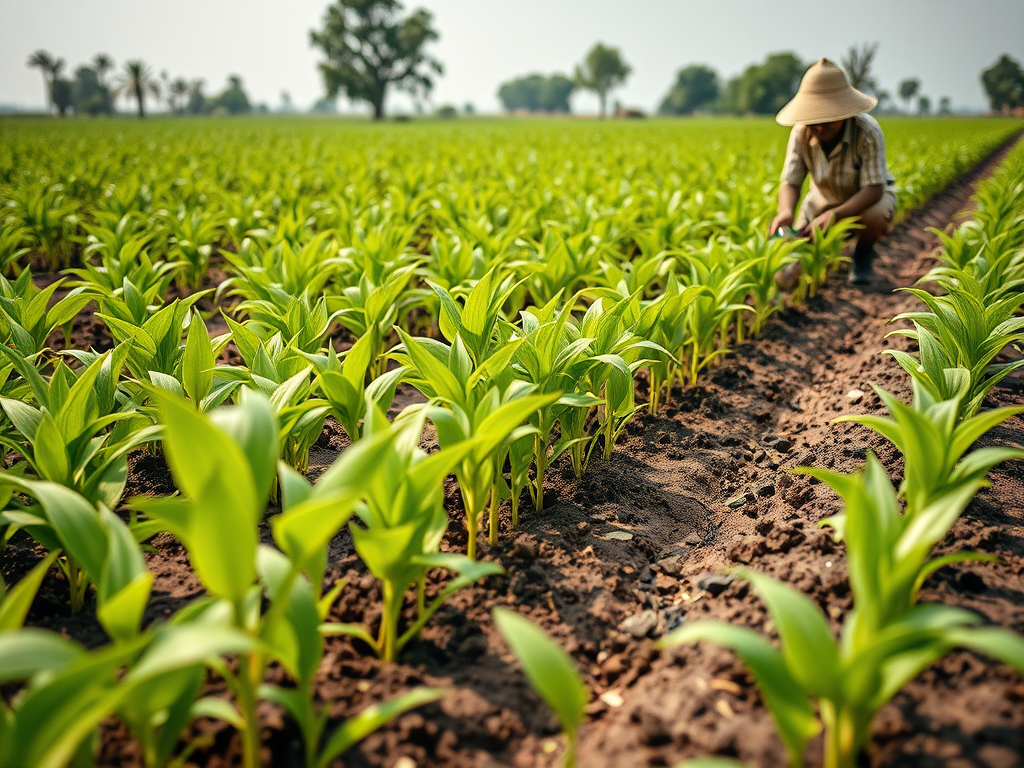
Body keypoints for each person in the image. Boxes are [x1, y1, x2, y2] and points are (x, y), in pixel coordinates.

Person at [770, 57, 896, 287]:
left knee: (875, 215)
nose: (820, 126)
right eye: (813, 119)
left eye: (828, 118)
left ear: (844, 111)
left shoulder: (866, 132)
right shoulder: (800, 134)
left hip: (866, 202)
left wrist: (835, 215)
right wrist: (786, 212)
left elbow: (874, 189)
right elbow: (791, 181)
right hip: (820, 202)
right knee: (786, 274)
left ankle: (863, 254)